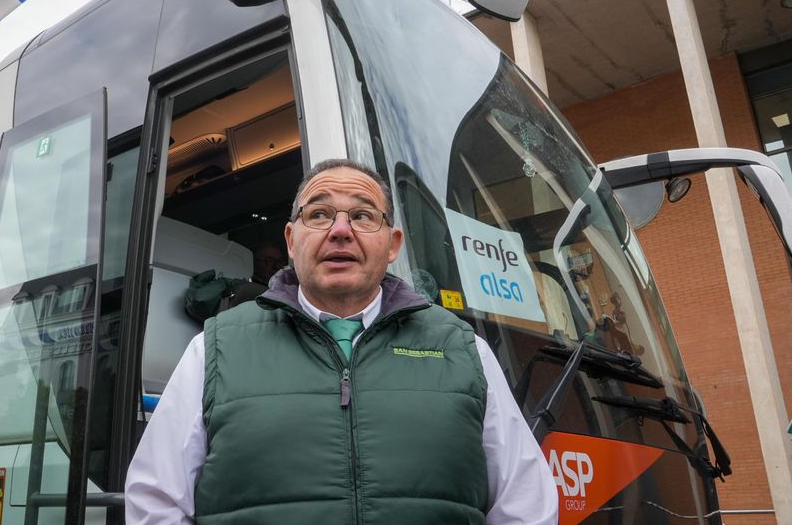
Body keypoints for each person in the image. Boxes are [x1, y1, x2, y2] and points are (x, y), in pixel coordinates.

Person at [126, 159, 558, 524]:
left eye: (364, 215)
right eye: (319, 214)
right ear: (292, 241)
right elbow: (156, 502)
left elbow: (527, 506)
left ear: (392, 245)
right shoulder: (213, 350)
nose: (340, 231)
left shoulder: (465, 351)